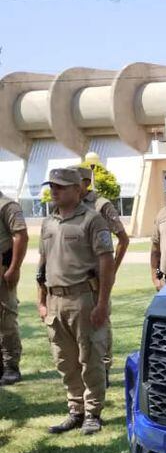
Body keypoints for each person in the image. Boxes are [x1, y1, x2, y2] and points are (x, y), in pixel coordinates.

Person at [37, 168, 114, 435]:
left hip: (84, 298)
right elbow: (42, 264)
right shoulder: (48, 222)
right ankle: (75, 410)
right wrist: (41, 300)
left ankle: (93, 413)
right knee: (64, 360)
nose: (54, 191)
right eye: (52, 187)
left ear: (76, 190)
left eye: (60, 187)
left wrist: (102, 304)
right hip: (55, 300)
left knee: (90, 358)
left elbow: (106, 263)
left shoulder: (92, 220)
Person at [79, 165, 129, 380]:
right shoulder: (68, 206)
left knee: (101, 323)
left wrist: (112, 271)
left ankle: (104, 368)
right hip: (77, 277)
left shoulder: (101, 205)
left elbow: (123, 238)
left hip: (97, 277)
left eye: (75, 183)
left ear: (86, 183)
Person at [0, 187, 28, 385]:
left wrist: (14, 268)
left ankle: (11, 366)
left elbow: (21, 236)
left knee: (6, 318)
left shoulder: (7, 205)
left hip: (3, 268)